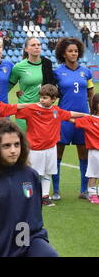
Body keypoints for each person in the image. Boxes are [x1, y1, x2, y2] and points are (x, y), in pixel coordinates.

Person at [0, 119, 58, 257]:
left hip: (28, 241)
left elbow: (35, 211)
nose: (13, 150)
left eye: (17, 144)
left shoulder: (31, 175)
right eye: (6, 146)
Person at [16, 84, 87, 206]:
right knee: (32, 173)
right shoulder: (31, 109)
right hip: (35, 149)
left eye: (45, 98)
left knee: (48, 173)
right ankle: (28, 196)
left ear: (53, 99)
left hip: (50, 148)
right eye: (41, 97)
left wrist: (85, 115)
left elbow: (69, 114)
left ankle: (45, 196)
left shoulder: (56, 111)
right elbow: (15, 110)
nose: (42, 100)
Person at [53, 37, 94, 201]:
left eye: (76, 51)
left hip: (83, 117)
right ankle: (56, 190)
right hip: (64, 118)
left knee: (84, 154)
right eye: (70, 51)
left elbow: (91, 93)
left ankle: (84, 190)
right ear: (63, 53)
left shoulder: (86, 72)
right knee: (57, 154)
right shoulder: (57, 73)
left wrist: (94, 113)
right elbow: (50, 94)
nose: (73, 53)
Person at [9, 37, 57, 131]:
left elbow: (51, 86)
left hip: (42, 109)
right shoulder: (18, 67)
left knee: (41, 143)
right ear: (26, 49)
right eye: (33, 45)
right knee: (24, 143)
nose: (37, 47)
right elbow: (8, 86)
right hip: (24, 109)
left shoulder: (47, 64)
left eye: (38, 45)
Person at [72, 93, 99, 204]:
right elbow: (74, 120)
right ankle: (92, 194)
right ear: (95, 105)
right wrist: (61, 116)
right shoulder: (89, 119)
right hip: (94, 152)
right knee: (93, 174)